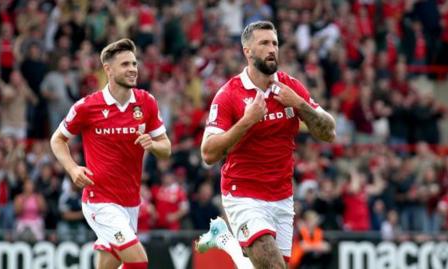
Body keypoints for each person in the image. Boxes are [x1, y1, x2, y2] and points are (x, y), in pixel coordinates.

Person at [196, 21, 335, 269]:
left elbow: (329, 131)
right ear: (247, 51)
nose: (272, 49)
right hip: (243, 194)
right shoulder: (229, 94)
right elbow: (208, 153)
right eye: (264, 43)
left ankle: (224, 239)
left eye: (275, 43)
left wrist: (300, 104)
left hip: (282, 196)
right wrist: (247, 121)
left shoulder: (290, 88)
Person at [50, 38, 171, 269]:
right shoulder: (87, 106)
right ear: (108, 69)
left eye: (134, 64)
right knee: (138, 262)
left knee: (109, 264)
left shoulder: (146, 102)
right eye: (125, 64)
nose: (133, 69)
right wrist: (73, 168)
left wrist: (153, 145)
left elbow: (166, 149)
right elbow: (57, 139)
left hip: (130, 201)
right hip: (100, 200)